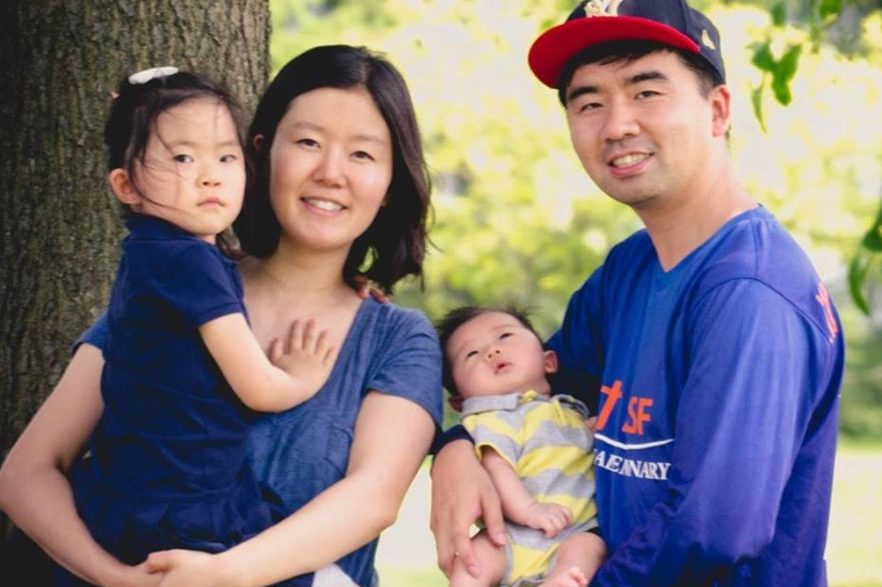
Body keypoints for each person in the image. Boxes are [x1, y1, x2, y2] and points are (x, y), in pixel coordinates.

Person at [430, 1, 845, 586]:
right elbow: (529, 383)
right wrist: (456, 448)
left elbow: (708, 532)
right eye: (589, 103)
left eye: (646, 92)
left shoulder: (749, 293)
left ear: (717, 110)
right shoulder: (631, 268)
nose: (616, 125)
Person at [0, 44, 441, 587]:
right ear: (261, 153)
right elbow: (27, 473)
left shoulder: (398, 337)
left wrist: (218, 575)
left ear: (391, 183)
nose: (331, 172)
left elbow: (372, 498)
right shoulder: (171, 286)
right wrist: (115, 577)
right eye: (308, 142)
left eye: (362, 154)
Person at [52, 66, 337, 585]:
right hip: (185, 506)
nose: (210, 175)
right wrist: (302, 377)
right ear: (126, 185)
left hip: (130, 492)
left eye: (226, 157)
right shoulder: (190, 262)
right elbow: (256, 388)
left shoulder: (153, 251)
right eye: (183, 158)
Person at [436, 306, 606, 587]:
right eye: (471, 354)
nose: (491, 351)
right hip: (509, 534)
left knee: (590, 547)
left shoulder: (571, 411)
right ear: (460, 401)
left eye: (504, 336)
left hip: (573, 529)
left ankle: (559, 580)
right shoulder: (494, 418)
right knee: (473, 559)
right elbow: (497, 467)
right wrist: (529, 510)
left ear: (548, 361)